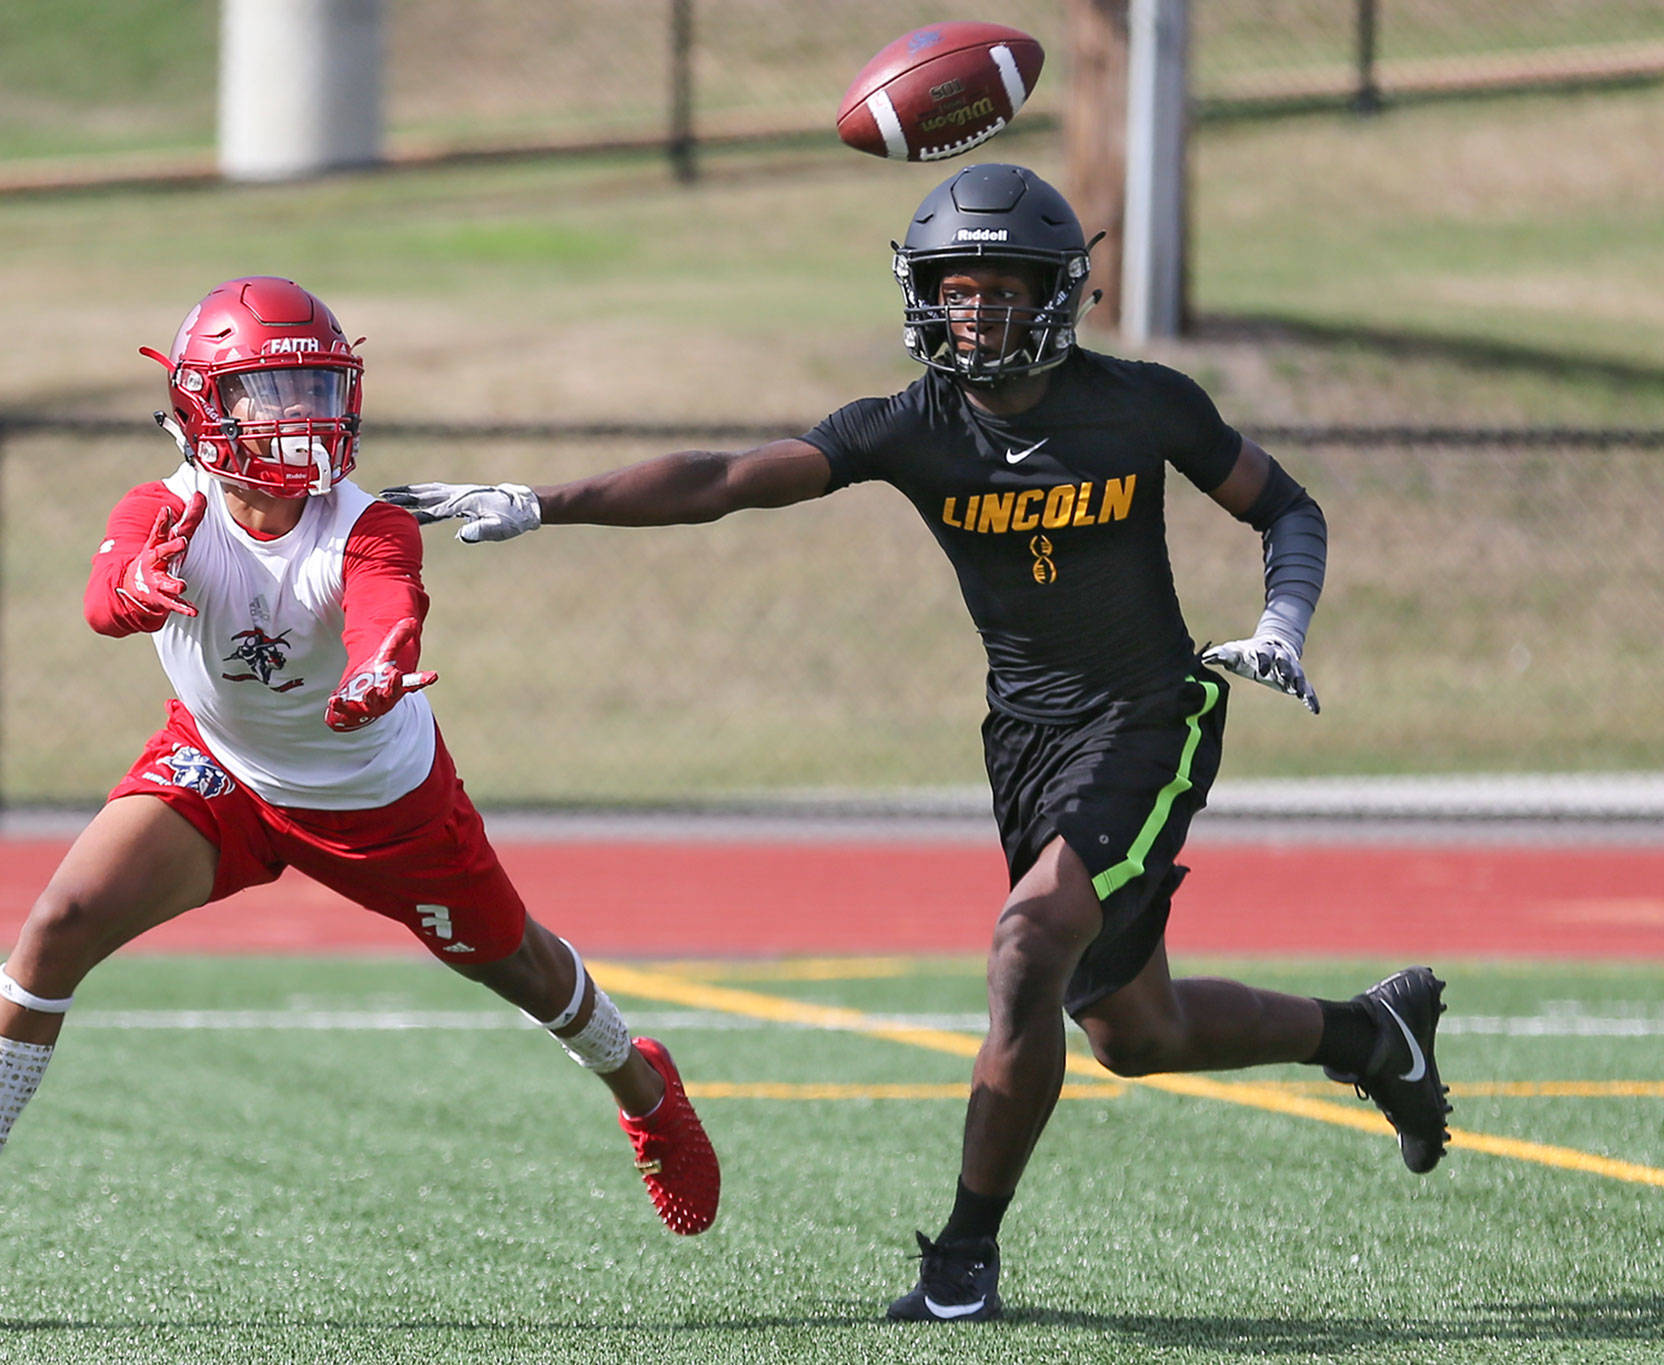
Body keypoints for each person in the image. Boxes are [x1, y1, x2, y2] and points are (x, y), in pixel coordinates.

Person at [380, 164, 1451, 1324]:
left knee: (1023, 947)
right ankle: (1369, 1033)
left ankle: (961, 1262)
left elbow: (1284, 506)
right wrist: (547, 502)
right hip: (1024, 738)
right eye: (955, 289)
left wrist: (1279, 622)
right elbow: (729, 479)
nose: (974, 313)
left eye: (1001, 290)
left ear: (1059, 294)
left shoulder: (1143, 402)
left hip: (1151, 713)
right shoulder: (913, 424)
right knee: (1138, 1033)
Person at [0, 276, 719, 1318]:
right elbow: (101, 600)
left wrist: (377, 667)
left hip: (378, 803)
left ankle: (643, 1089)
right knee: (56, 926)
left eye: (312, 385)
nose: (296, 413)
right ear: (204, 406)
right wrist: (134, 593)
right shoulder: (163, 507)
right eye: (266, 389)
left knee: (513, 963)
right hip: (221, 773)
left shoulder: (365, 522)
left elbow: (389, 607)